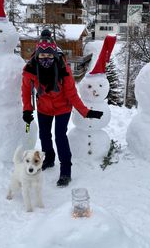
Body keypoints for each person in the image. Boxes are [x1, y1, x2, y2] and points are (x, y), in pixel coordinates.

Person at [21, 29, 103, 187]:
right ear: (37, 55)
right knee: (44, 136)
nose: (46, 58)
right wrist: (27, 110)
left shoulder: (63, 68)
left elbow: (72, 94)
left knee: (60, 136)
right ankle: (49, 159)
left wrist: (86, 112)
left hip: (62, 107)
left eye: (49, 55)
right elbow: (25, 91)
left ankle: (66, 171)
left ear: (54, 55)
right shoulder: (30, 69)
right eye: (43, 55)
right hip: (44, 107)